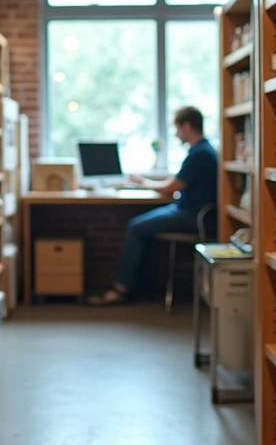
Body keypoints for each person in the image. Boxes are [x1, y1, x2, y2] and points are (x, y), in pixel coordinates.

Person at [88, 106, 218, 306]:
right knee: (142, 228)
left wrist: (143, 182)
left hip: (191, 215)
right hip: (187, 209)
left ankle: (121, 289)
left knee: (136, 227)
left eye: (177, 128)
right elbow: (177, 184)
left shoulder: (200, 154)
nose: (176, 134)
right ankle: (141, 287)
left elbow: (172, 187)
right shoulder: (203, 150)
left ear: (186, 126)